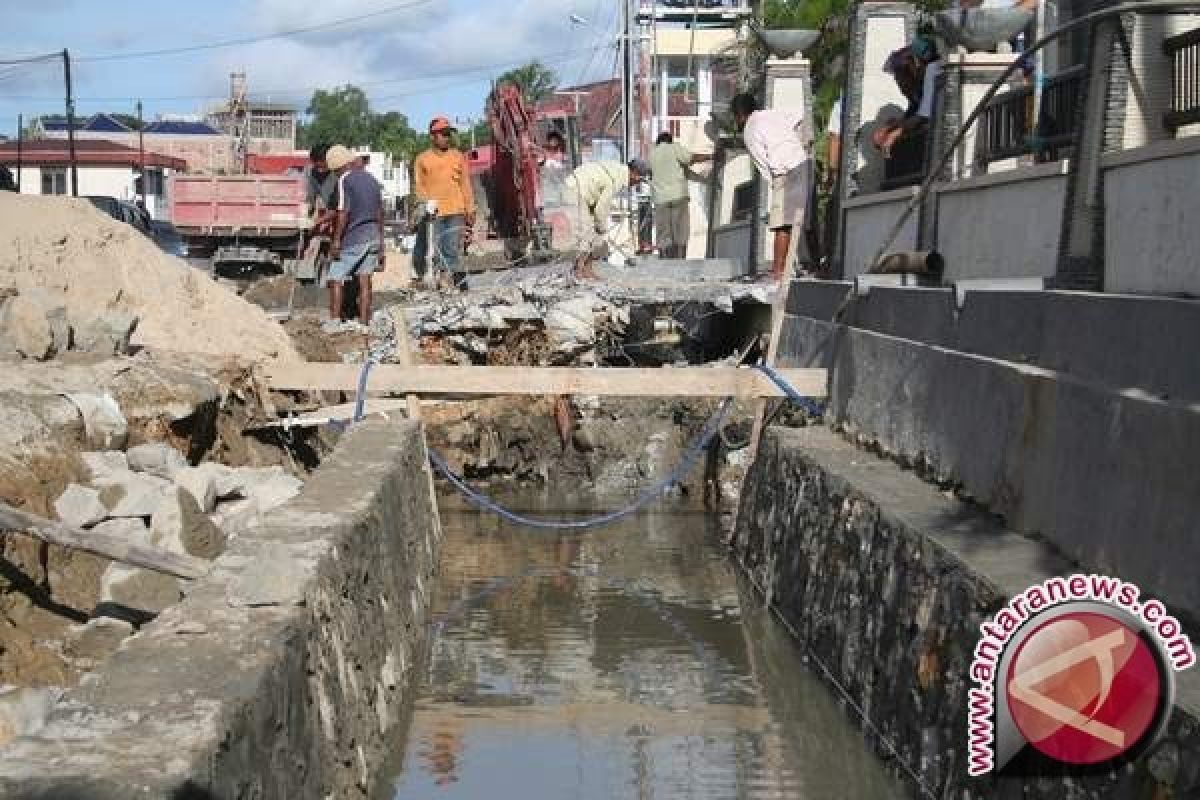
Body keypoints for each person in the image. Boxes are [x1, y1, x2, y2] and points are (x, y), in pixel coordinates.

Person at [731, 92, 812, 282]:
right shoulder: (770, 114)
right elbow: (798, 117)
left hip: (784, 171)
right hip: (802, 162)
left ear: (739, 115)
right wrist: (801, 144)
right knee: (806, 220)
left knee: (781, 224)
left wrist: (775, 184)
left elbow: (762, 164)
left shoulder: (749, 130)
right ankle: (816, 264)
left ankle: (778, 272)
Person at [323, 144, 384, 333]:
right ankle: (364, 323)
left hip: (355, 238)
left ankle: (334, 322)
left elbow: (342, 213)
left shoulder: (345, 180)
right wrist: (381, 244)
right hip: (373, 235)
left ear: (337, 167)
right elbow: (380, 213)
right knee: (364, 281)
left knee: (334, 278)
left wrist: (336, 241)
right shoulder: (371, 179)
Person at [413, 116, 476, 289]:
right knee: (436, 249)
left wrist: (470, 209)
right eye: (443, 134)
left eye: (448, 134)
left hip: (456, 210)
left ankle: (454, 283)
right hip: (435, 214)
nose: (447, 137)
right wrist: (426, 204)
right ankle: (441, 283)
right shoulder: (422, 159)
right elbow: (419, 187)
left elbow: (465, 183)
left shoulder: (458, 157)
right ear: (433, 136)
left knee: (452, 249)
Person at [563, 159, 649, 278]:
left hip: (583, 191)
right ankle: (578, 271)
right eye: (639, 179)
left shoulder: (618, 171)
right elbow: (601, 208)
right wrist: (602, 227)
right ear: (634, 173)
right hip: (576, 190)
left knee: (595, 237)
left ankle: (587, 270)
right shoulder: (617, 178)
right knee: (587, 234)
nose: (637, 184)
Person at [873, 35, 942, 159]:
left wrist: (894, 134)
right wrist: (890, 127)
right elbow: (914, 111)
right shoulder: (918, 85)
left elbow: (923, 115)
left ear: (914, 63)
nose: (899, 80)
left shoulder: (932, 69)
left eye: (901, 73)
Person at [648, 131, 712, 259]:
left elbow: (652, 174)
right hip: (678, 196)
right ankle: (680, 260)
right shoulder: (674, 148)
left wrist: (703, 180)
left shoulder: (651, 154)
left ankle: (664, 260)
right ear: (669, 140)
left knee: (663, 232)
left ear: (658, 142)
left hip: (660, 199)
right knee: (681, 231)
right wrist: (711, 156)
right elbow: (691, 158)